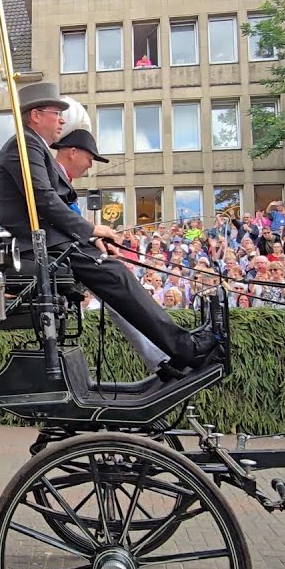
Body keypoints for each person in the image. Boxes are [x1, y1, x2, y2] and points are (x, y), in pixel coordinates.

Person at [0, 82, 215, 374]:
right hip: (39, 250)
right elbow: (44, 201)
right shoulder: (25, 145)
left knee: (114, 272)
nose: (61, 120)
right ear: (35, 115)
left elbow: (47, 204)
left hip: (51, 245)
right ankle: (184, 349)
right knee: (116, 273)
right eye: (56, 113)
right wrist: (92, 230)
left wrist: (88, 236)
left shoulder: (32, 146)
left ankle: (168, 354)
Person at [52, 120, 173, 377]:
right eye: (90, 157)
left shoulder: (61, 178)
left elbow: (68, 222)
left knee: (118, 292)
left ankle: (160, 357)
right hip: (60, 258)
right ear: (73, 151)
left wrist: (94, 238)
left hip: (69, 253)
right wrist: (94, 233)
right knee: (118, 280)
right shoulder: (53, 175)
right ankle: (167, 353)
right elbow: (57, 218)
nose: (91, 164)